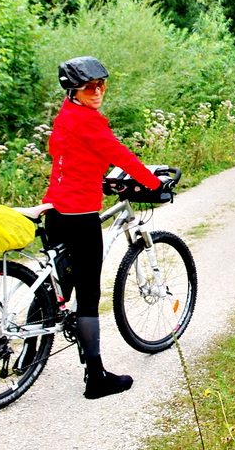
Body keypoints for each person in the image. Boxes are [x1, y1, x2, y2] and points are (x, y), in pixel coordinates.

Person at [42, 55, 164, 399]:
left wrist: (96, 178)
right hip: (79, 213)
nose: (97, 92)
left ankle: (27, 357)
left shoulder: (65, 116)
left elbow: (71, 157)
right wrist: (152, 183)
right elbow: (118, 154)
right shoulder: (88, 121)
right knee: (88, 294)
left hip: (55, 209)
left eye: (101, 86)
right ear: (73, 91)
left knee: (57, 284)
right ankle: (96, 378)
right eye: (88, 87)